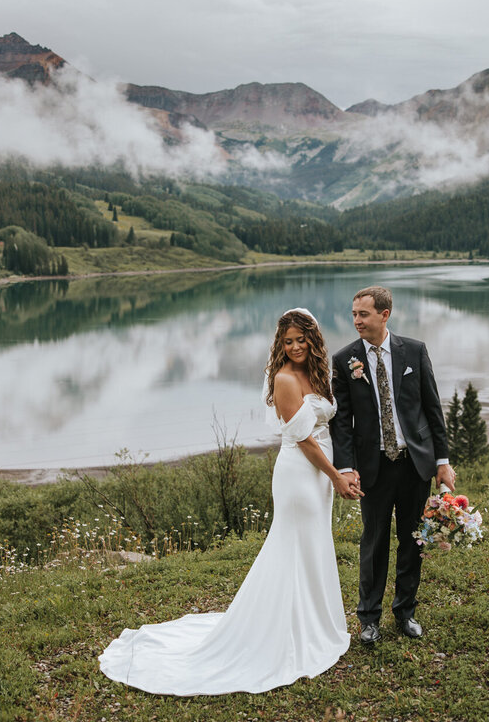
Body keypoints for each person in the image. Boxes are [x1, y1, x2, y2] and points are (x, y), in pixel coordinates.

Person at [98, 307, 359, 695]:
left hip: (320, 473)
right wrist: (335, 475)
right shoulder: (286, 378)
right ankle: (287, 630)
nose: (294, 347)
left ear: (313, 339)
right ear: (280, 345)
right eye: (287, 342)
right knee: (293, 544)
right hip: (301, 473)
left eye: (300, 340)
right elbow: (303, 439)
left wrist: (340, 470)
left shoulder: (318, 373)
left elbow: (329, 423)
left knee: (313, 544)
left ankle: (311, 621)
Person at [330, 285, 453, 645]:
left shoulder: (414, 350)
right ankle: (369, 619)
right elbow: (343, 422)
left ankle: (405, 612)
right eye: (354, 314)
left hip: (415, 464)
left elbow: (433, 409)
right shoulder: (344, 359)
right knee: (374, 542)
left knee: (413, 540)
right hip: (374, 468)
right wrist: (347, 467)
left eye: (363, 314)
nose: (356, 320)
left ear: (385, 315)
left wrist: (442, 462)